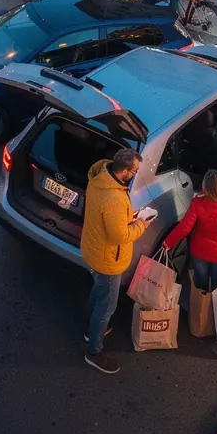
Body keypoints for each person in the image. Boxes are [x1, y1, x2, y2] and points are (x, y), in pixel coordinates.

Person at [81, 149, 149, 374]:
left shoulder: (99, 178)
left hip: (93, 249)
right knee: (108, 306)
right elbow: (120, 236)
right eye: (135, 171)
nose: (136, 174)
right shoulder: (115, 198)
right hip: (109, 257)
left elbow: (108, 219)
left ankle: (90, 330)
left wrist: (129, 217)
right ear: (125, 170)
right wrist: (141, 224)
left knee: (98, 289)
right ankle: (94, 351)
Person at [162, 169, 217, 296]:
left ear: (205, 187)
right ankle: (215, 311)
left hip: (199, 251)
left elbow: (185, 227)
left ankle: (200, 307)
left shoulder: (197, 203)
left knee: (200, 282)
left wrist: (168, 242)